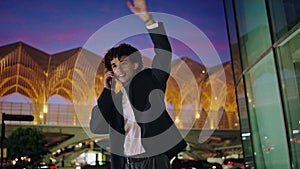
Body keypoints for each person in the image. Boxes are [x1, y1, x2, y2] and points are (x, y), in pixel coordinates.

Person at [90, 0, 187, 168]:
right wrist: (106, 91)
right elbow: (96, 127)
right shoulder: (114, 99)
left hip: (154, 161)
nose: (119, 69)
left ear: (135, 65)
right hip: (127, 163)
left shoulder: (150, 81)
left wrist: (148, 21)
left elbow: (163, 55)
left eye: (124, 63)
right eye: (114, 65)